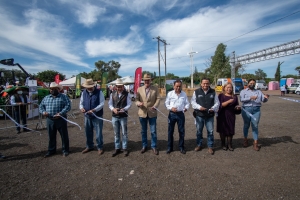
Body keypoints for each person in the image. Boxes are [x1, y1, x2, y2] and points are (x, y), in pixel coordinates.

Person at [39, 82, 71, 157]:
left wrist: (61, 113)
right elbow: (41, 107)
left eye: (54, 89)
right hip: (50, 119)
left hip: (61, 119)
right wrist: (43, 112)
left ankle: (65, 150)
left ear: (58, 89)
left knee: (64, 135)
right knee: (51, 136)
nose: (52, 90)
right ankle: (51, 150)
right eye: (51, 89)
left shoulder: (64, 97)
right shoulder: (46, 98)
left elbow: (68, 106)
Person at [191, 78, 220, 155]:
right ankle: (199, 145)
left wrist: (213, 108)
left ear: (209, 84)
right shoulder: (196, 92)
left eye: (207, 83)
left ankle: (210, 146)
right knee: (199, 131)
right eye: (204, 83)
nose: (205, 85)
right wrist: (199, 107)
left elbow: (217, 102)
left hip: (209, 115)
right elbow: (193, 102)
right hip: (199, 115)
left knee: (210, 131)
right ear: (201, 84)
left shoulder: (213, 92)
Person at [240, 79, 269, 151]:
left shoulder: (258, 92)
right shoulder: (243, 91)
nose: (252, 84)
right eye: (250, 83)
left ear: (255, 84)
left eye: (253, 83)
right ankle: (245, 140)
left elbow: (263, 100)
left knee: (255, 126)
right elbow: (241, 99)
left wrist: (266, 98)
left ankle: (255, 143)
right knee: (246, 125)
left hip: (256, 110)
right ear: (248, 83)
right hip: (246, 109)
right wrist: (250, 98)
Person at [136, 73, 161, 155]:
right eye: (145, 80)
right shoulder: (139, 89)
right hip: (142, 113)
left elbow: (158, 98)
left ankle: (153, 146)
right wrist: (138, 103)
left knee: (153, 131)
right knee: (143, 131)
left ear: (151, 80)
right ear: (143, 81)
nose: (147, 81)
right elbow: (136, 99)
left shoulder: (155, 89)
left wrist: (155, 106)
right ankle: (144, 146)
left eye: (148, 80)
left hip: (152, 112)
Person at [79, 79, 105, 155]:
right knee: (87, 132)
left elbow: (102, 103)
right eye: (87, 87)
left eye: (90, 86)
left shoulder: (99, 92)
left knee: (98, 132)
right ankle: (89, 146)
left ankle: (99, 147)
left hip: (97, 115)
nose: (89, 88)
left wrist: (94, 110)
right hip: (87, 115)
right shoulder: (84, 92)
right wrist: (81, 108)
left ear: (93, 85)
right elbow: (81, 103)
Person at [165, 80, 190, 154]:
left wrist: (186, 108)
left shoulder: (184, 94)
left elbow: (187, 103)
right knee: (170, 131)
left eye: (179, 86)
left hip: (180, 114)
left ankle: (181, 147)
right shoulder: (170, 94)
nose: (178, 88)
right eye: (177, 86)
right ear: (174, 86)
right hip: (172, 114)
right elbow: (166, 103)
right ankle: (170, 147)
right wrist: (171, 108)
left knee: (181, 131)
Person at [108, 78, 132, 157]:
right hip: (115, 116)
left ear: (123, 86)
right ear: (115, 86)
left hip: (123, 116)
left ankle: (125, 148)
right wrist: (113, 109)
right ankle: (117, 147)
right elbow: (110, 104)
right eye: (118, 86)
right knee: (116, 133)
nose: (119, 88)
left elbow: (129, 104)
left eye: (120, 86)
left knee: (124, 133)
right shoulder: (112, 94)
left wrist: (124, 109)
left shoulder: (127, 94)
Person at [216, 83, 241, 151]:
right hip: (222, 115)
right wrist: (228, 101)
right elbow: (219, 105)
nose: (229, 89)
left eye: (230, 87)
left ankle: (229, 144)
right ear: (224, 88)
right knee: (222, 130)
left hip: (231, 115)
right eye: (227, 87)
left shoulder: (235, 96)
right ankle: (223, 144)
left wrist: (237, 108)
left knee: (230, 129)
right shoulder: (221, 96)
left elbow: (236, 105)